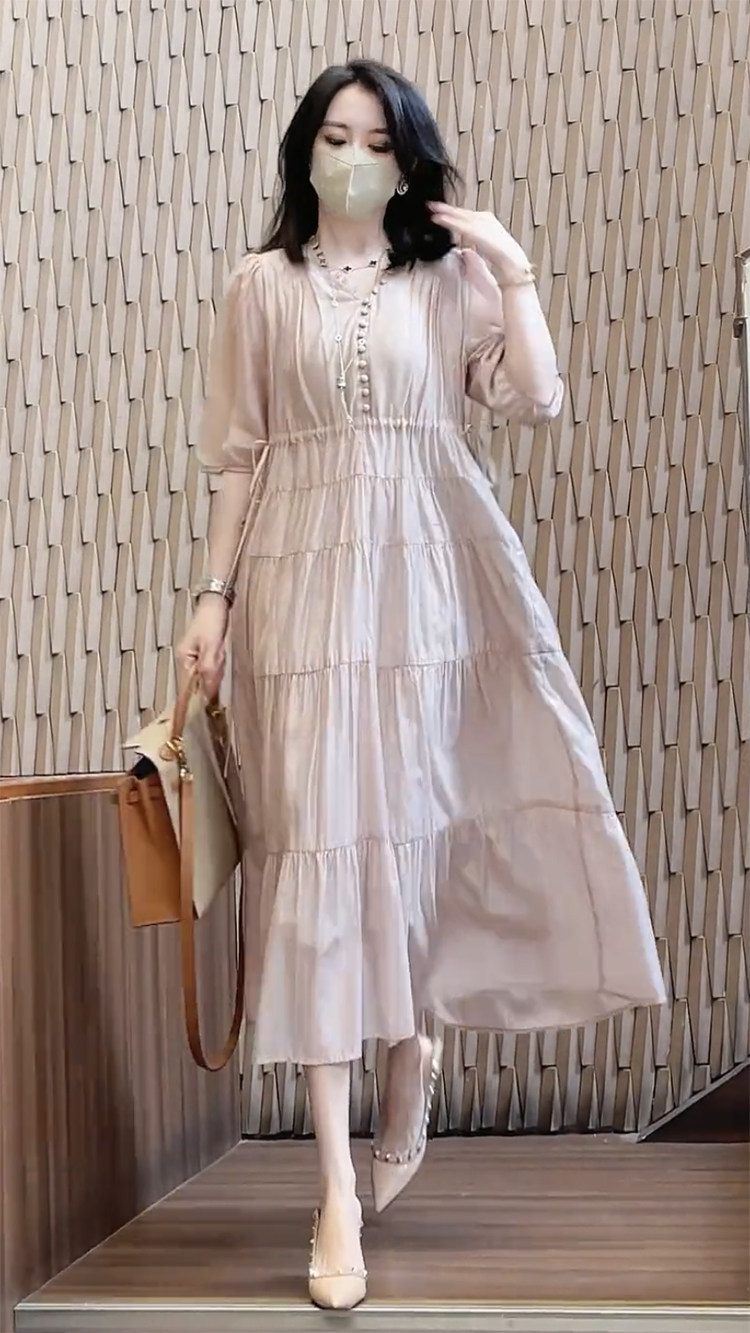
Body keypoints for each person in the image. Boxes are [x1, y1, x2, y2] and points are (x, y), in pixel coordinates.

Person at [177, 59, 666, 1311]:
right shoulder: (258, 286)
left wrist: (514, 269)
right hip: (297, 589)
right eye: (335, 137)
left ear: (409, 162)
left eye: (377, 142)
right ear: (305, 150)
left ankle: (413, 1047)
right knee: (313, 848)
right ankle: (336, 1188)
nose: (353, 159)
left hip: (428, 578)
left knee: (411, 825)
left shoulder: (446, 279)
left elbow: (534, 396)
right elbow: (238, 458)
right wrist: (212, 601)